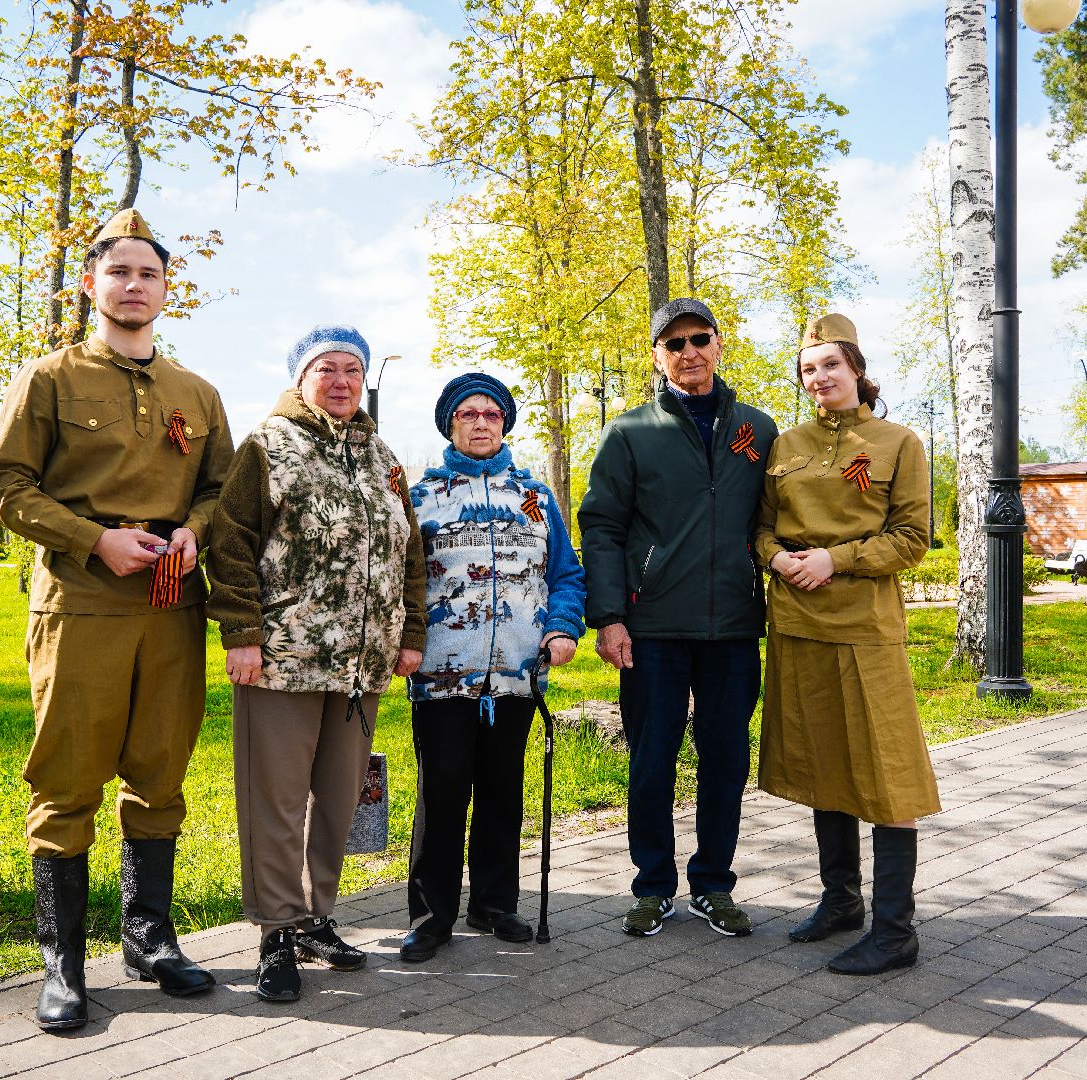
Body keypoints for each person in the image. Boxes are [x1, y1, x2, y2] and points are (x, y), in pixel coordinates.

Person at [0, 209, 232, 1031]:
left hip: (171, 604)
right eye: (118, 272)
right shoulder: (48, 379)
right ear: (90, 283)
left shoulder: (195, 393)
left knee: (160, 770)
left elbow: (222, 487)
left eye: (148, 274)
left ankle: (149, 937)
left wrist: (196, 530)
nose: (134, 285)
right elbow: (5, 486)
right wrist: (95, 540)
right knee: (69, 777)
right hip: (83, 600)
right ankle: (63, 963)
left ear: (167, 290)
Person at [207, 325, 426, 1002]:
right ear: (301, 378)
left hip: (361, 667)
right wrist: (240, 631)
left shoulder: (383, 456)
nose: (341, 381)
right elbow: (232, 541)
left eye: (352, 370)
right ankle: (276, 930)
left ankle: (316, 918)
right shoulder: (268, 447)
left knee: (338, 798)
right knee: (276, 800)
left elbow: (409, 550)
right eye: (326, 368)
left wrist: (408, 634)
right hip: (285, 657)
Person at [578, 298, 778, 938]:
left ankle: (714, 884)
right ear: (658, 354)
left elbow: (776, 519)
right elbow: (602, 527)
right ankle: (653, 886)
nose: (689, 352)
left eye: (700, 339)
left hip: (734, 629)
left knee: (725, 759)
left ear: (718, 345)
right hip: (654, 629)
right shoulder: (630, 433)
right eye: (674, 343)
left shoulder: (759, 429)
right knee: (652, 760)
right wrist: (609, 616)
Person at [753, 313, 940, 976]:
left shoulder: (899, 443)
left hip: (865, 628)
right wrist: (778, 561)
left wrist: (835, 560)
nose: (820, 377)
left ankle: (895, 930)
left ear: (857, 369)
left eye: (831, 364)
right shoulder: (785, 444)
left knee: (889, 774)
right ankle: (842, 902)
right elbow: (763, 529)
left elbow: (912, 538)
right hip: (797, 627)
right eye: (809, 368)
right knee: (822, 763)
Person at [399, 373, 586, 962]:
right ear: (450, 425)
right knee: (444, 790)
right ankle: (431, 915)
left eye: (491, 415)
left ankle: (495, 903)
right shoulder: (422, 497)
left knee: (504, 790)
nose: (481, 423)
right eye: (467, 415)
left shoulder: (535, 497)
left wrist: (560, 627)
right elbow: (402, 583)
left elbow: (566, 575)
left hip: (517, 673)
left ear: (504, 423)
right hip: (442, 675)